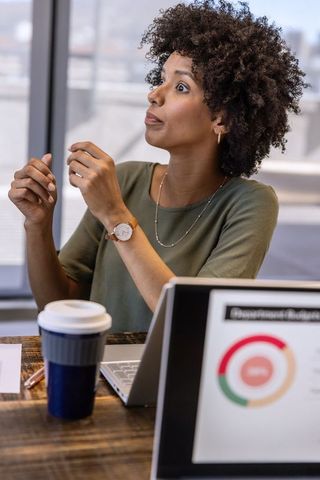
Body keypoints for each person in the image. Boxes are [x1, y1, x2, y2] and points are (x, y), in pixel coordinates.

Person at [8, 0, 306, 332]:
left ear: (221, 118)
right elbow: (57, 304)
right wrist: (38, 226)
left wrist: (116, 216)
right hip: (100, 375)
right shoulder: (125, 179)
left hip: (179, 381)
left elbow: (191, 321)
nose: (154, 94)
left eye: (181, 87)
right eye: (161, 79)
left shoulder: (250, 204)